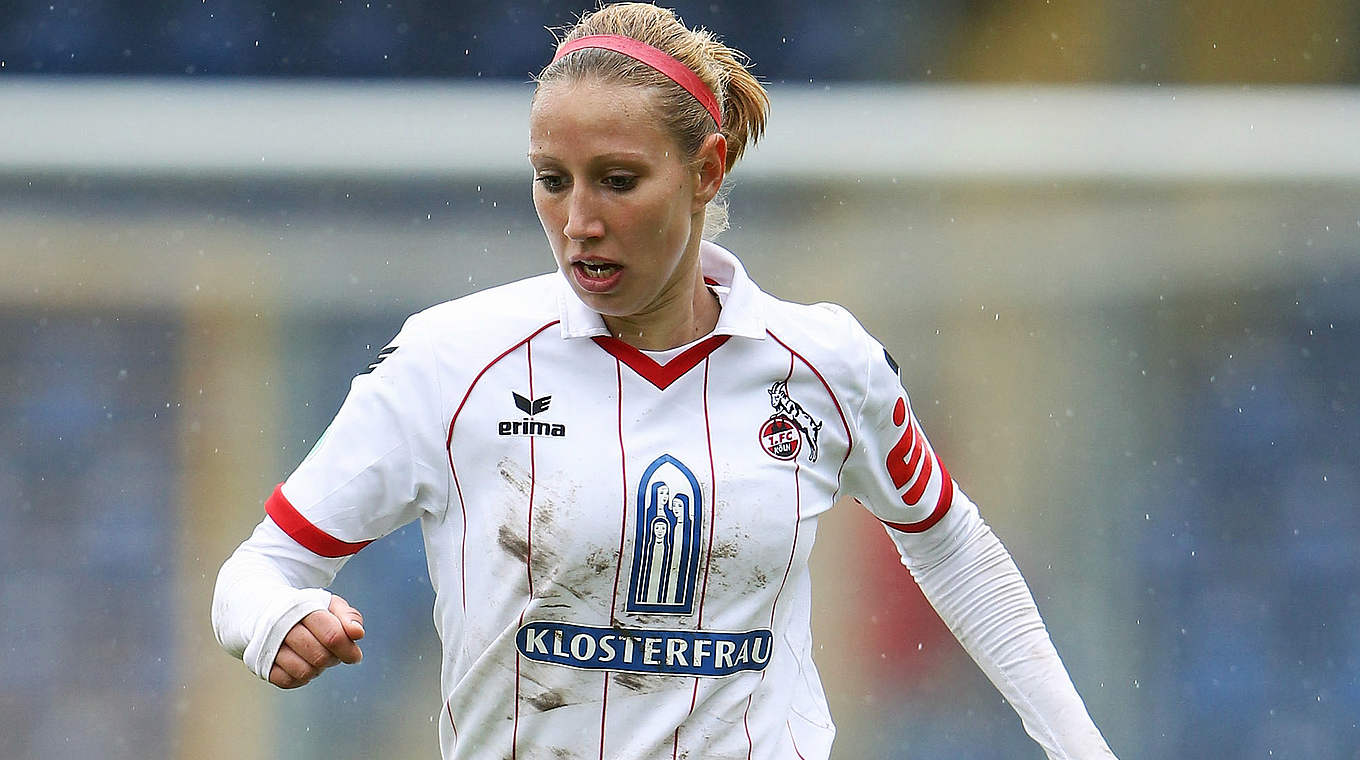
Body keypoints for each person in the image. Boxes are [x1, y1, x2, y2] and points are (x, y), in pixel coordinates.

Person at [211, 3, 1119, 758]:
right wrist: (274, 619)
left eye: (616, 181)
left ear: (707, 170)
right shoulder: (450, 364)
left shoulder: (824, 364)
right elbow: (259, 567)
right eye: (552, 181)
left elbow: (949, 542)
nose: (579, 221)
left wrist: (1082, 749)